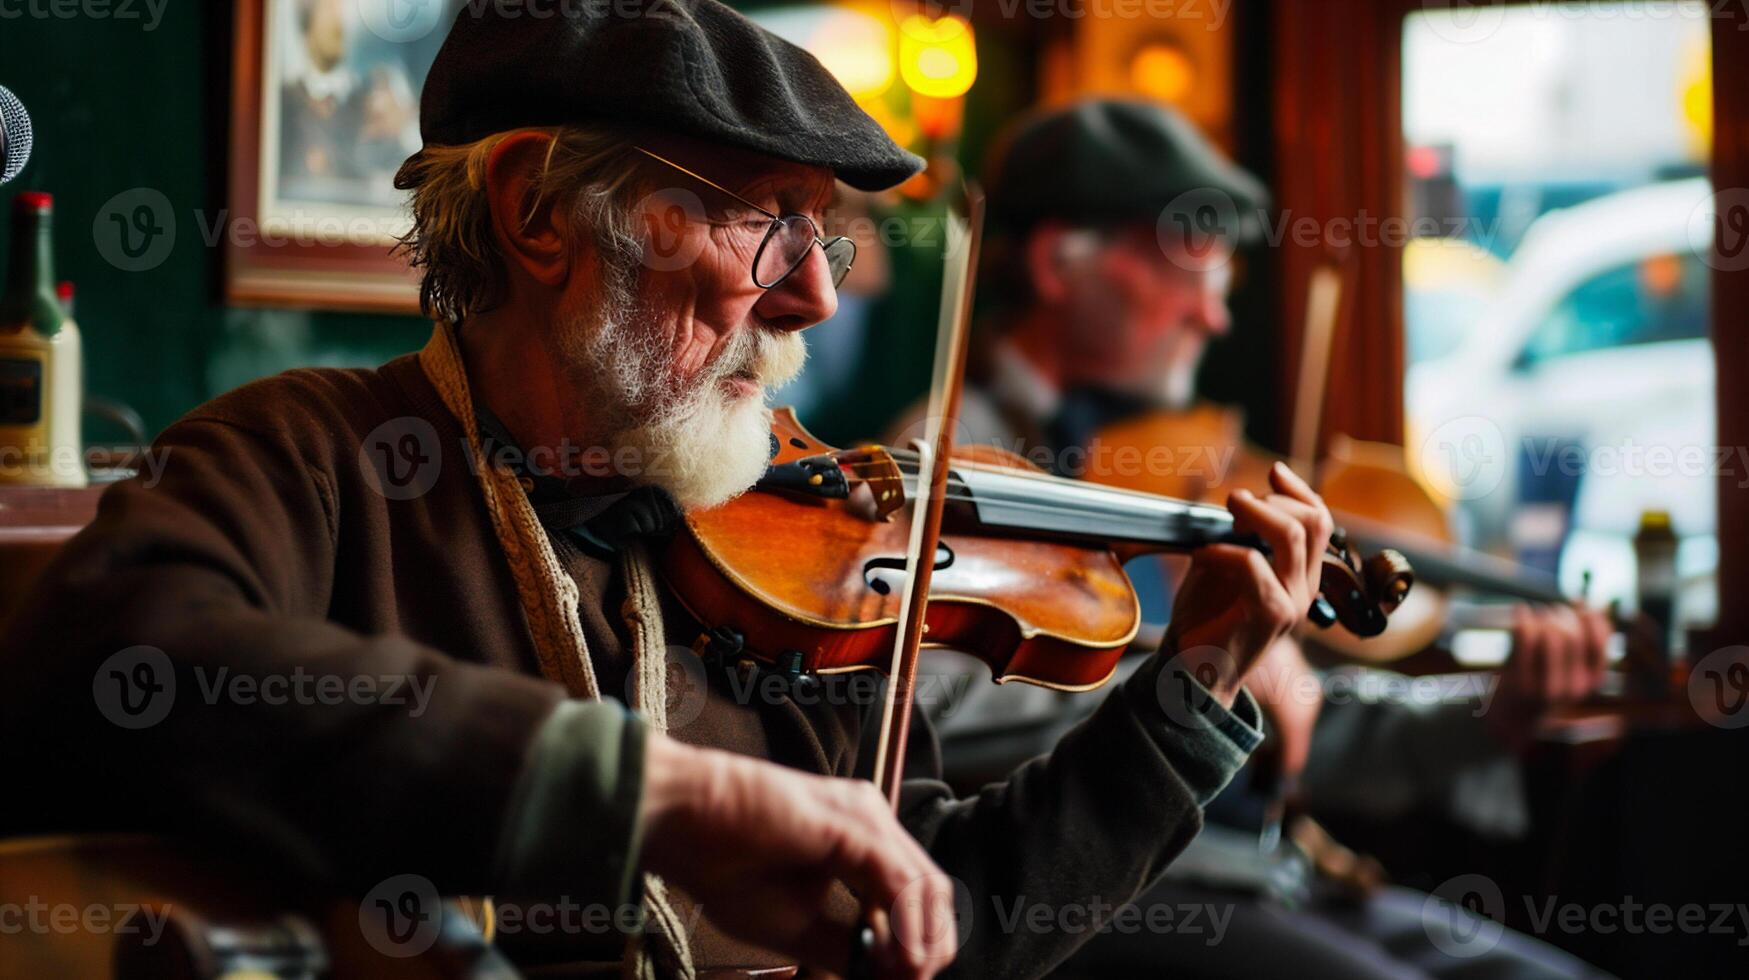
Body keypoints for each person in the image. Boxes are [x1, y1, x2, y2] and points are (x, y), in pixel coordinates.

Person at [0, 10, 1335, 980]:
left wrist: (1190, 693)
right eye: (766, 217)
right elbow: (117, 652)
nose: (814, 291)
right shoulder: (312, 455)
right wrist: (659, 800)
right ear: (537, 216)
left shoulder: (801, 548)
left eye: (824, 229)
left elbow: (948, 923)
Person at [889, 98, 1613, 979]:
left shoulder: (1181, 459)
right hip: (1103, 894)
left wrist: (1488, 717)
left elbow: (1294, 721)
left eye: (1222, 284)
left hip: (1266, 867)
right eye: (1189, 273)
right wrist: (1195, 671)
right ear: (1055, 263)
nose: (1214, 317)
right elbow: (937, 716)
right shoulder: (939, 471)